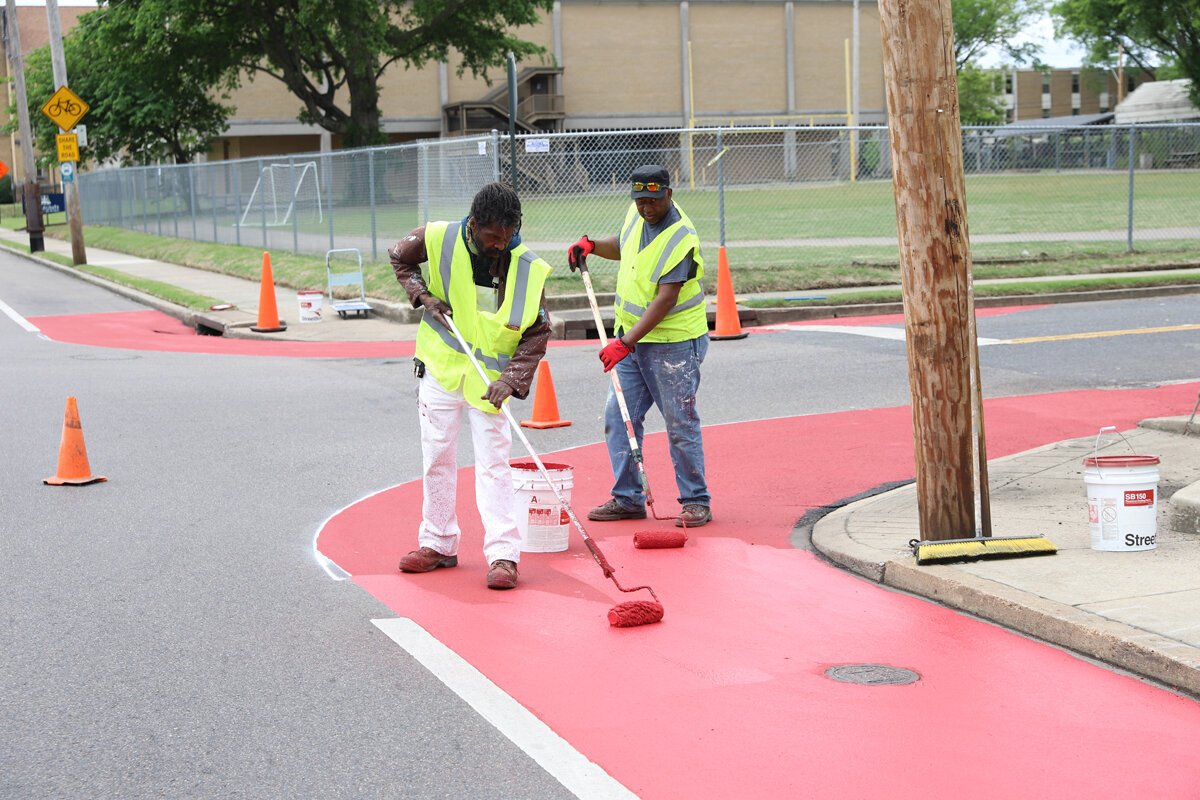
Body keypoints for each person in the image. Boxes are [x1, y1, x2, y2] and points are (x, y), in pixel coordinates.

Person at [389, 181, 553, 589]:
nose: (501, 244)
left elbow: (537, 331)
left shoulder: (529, 268)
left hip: (489, 384)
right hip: (441, 369)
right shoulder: (439, 237)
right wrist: (421, 295)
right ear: (475, 224)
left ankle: (503, 555)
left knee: (494, 465)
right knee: (437, 458)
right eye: (493, 236)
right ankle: (438, 542)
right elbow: (400, 259)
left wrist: (511, 380)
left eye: (509, 235)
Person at [567, 164, 712, 528]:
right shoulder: (636, 215)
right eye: (640, 200)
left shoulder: (681, 237)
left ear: (669, 194)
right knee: (620, 418)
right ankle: (627, 498)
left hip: (673, 343)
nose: (646, 208)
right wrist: (593, 246)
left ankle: (696, 500)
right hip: (631, 339)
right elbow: (623, 245)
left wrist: (624, 343)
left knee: (680, 422)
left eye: (653, 200)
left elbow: (665, 299)